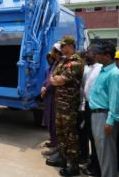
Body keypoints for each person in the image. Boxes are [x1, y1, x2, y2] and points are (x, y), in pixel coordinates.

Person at [46, 35, 84, 176]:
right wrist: (57, 80)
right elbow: (52, 77)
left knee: (70, 135)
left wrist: (57, 80)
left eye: (63, 46)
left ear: (70, 46)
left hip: (69, 105)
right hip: (60, 103)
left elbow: (60, 80)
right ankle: (62, 158)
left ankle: (74, 166)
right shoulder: (62, 61)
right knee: (60, 132)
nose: (60, 48)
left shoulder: (76, 63)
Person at [89, 42, 119, 177]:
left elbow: (115, 99)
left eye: (99, 53)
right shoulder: (102, 70)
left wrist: (110, 121)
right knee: (101, 151)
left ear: (107, 56)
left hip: (104, 116)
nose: (96, 55)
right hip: (96, 115)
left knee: (107, 153)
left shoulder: (114, 74)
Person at [79, 44, 102, 176]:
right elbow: (85, 89)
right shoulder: (91, 68)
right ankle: (92, 162)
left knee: (95, 139)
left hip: (95, 107)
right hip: (88, 106)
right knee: (91, 137)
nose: (86, 54)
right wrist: (83, 106)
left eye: (88, 52)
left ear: (93, 53)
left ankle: (97, 167)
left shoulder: (99, 69)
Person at [40, 44, 61, 156]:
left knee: (54, 122)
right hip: (48, 95)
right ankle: (54, 144)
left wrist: (46, 90)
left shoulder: (60, 65)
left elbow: (53, 81)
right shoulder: (53, 66)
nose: (49, 57)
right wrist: (43, 87)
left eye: (52, 53)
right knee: (49, 120)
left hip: (53, 96)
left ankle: (57, 147)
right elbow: (48, 79)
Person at [75, 50, 90, 164]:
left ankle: (84, 156)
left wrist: (83, 107)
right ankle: (82, 153)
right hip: (79, 106)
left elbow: (85, 91)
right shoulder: (82, 70)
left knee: (83, 133)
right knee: (80, 132)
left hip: (83, 107)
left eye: (77, 59)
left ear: (84, 60)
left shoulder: (86, 71)